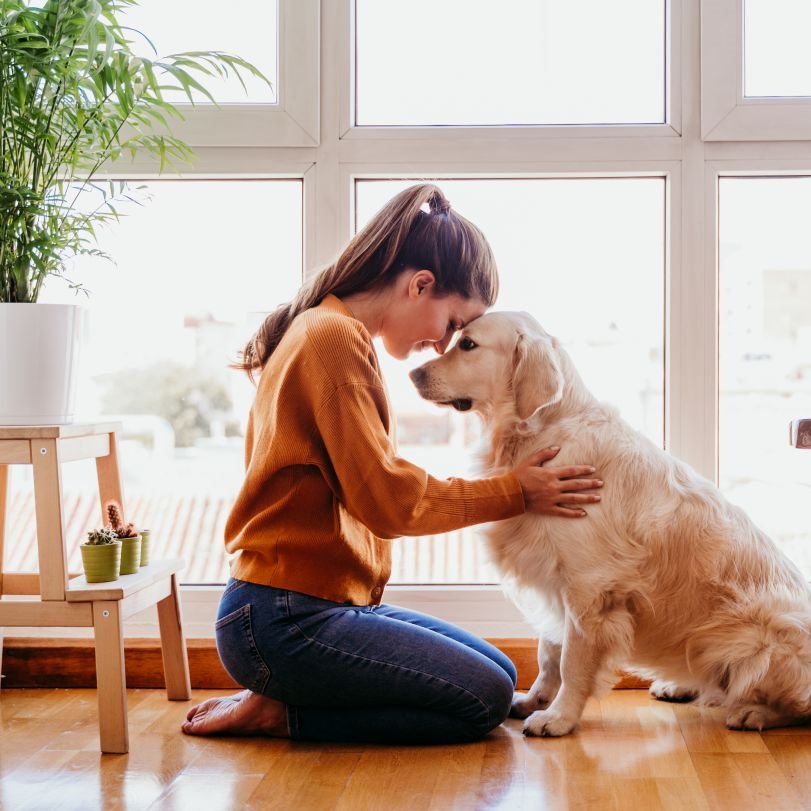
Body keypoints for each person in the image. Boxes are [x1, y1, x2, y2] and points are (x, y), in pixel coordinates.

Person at [181, 183, 603, 744]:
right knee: (483, 698)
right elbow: (389, 502)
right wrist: (516, 491)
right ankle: (281, 712)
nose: (442, 345)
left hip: (314, 607)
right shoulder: (331, 340)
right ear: (420, 285)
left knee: (501, 673)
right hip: (282, 618)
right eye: (452, 323)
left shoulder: (330, 328)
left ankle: (285, 691)